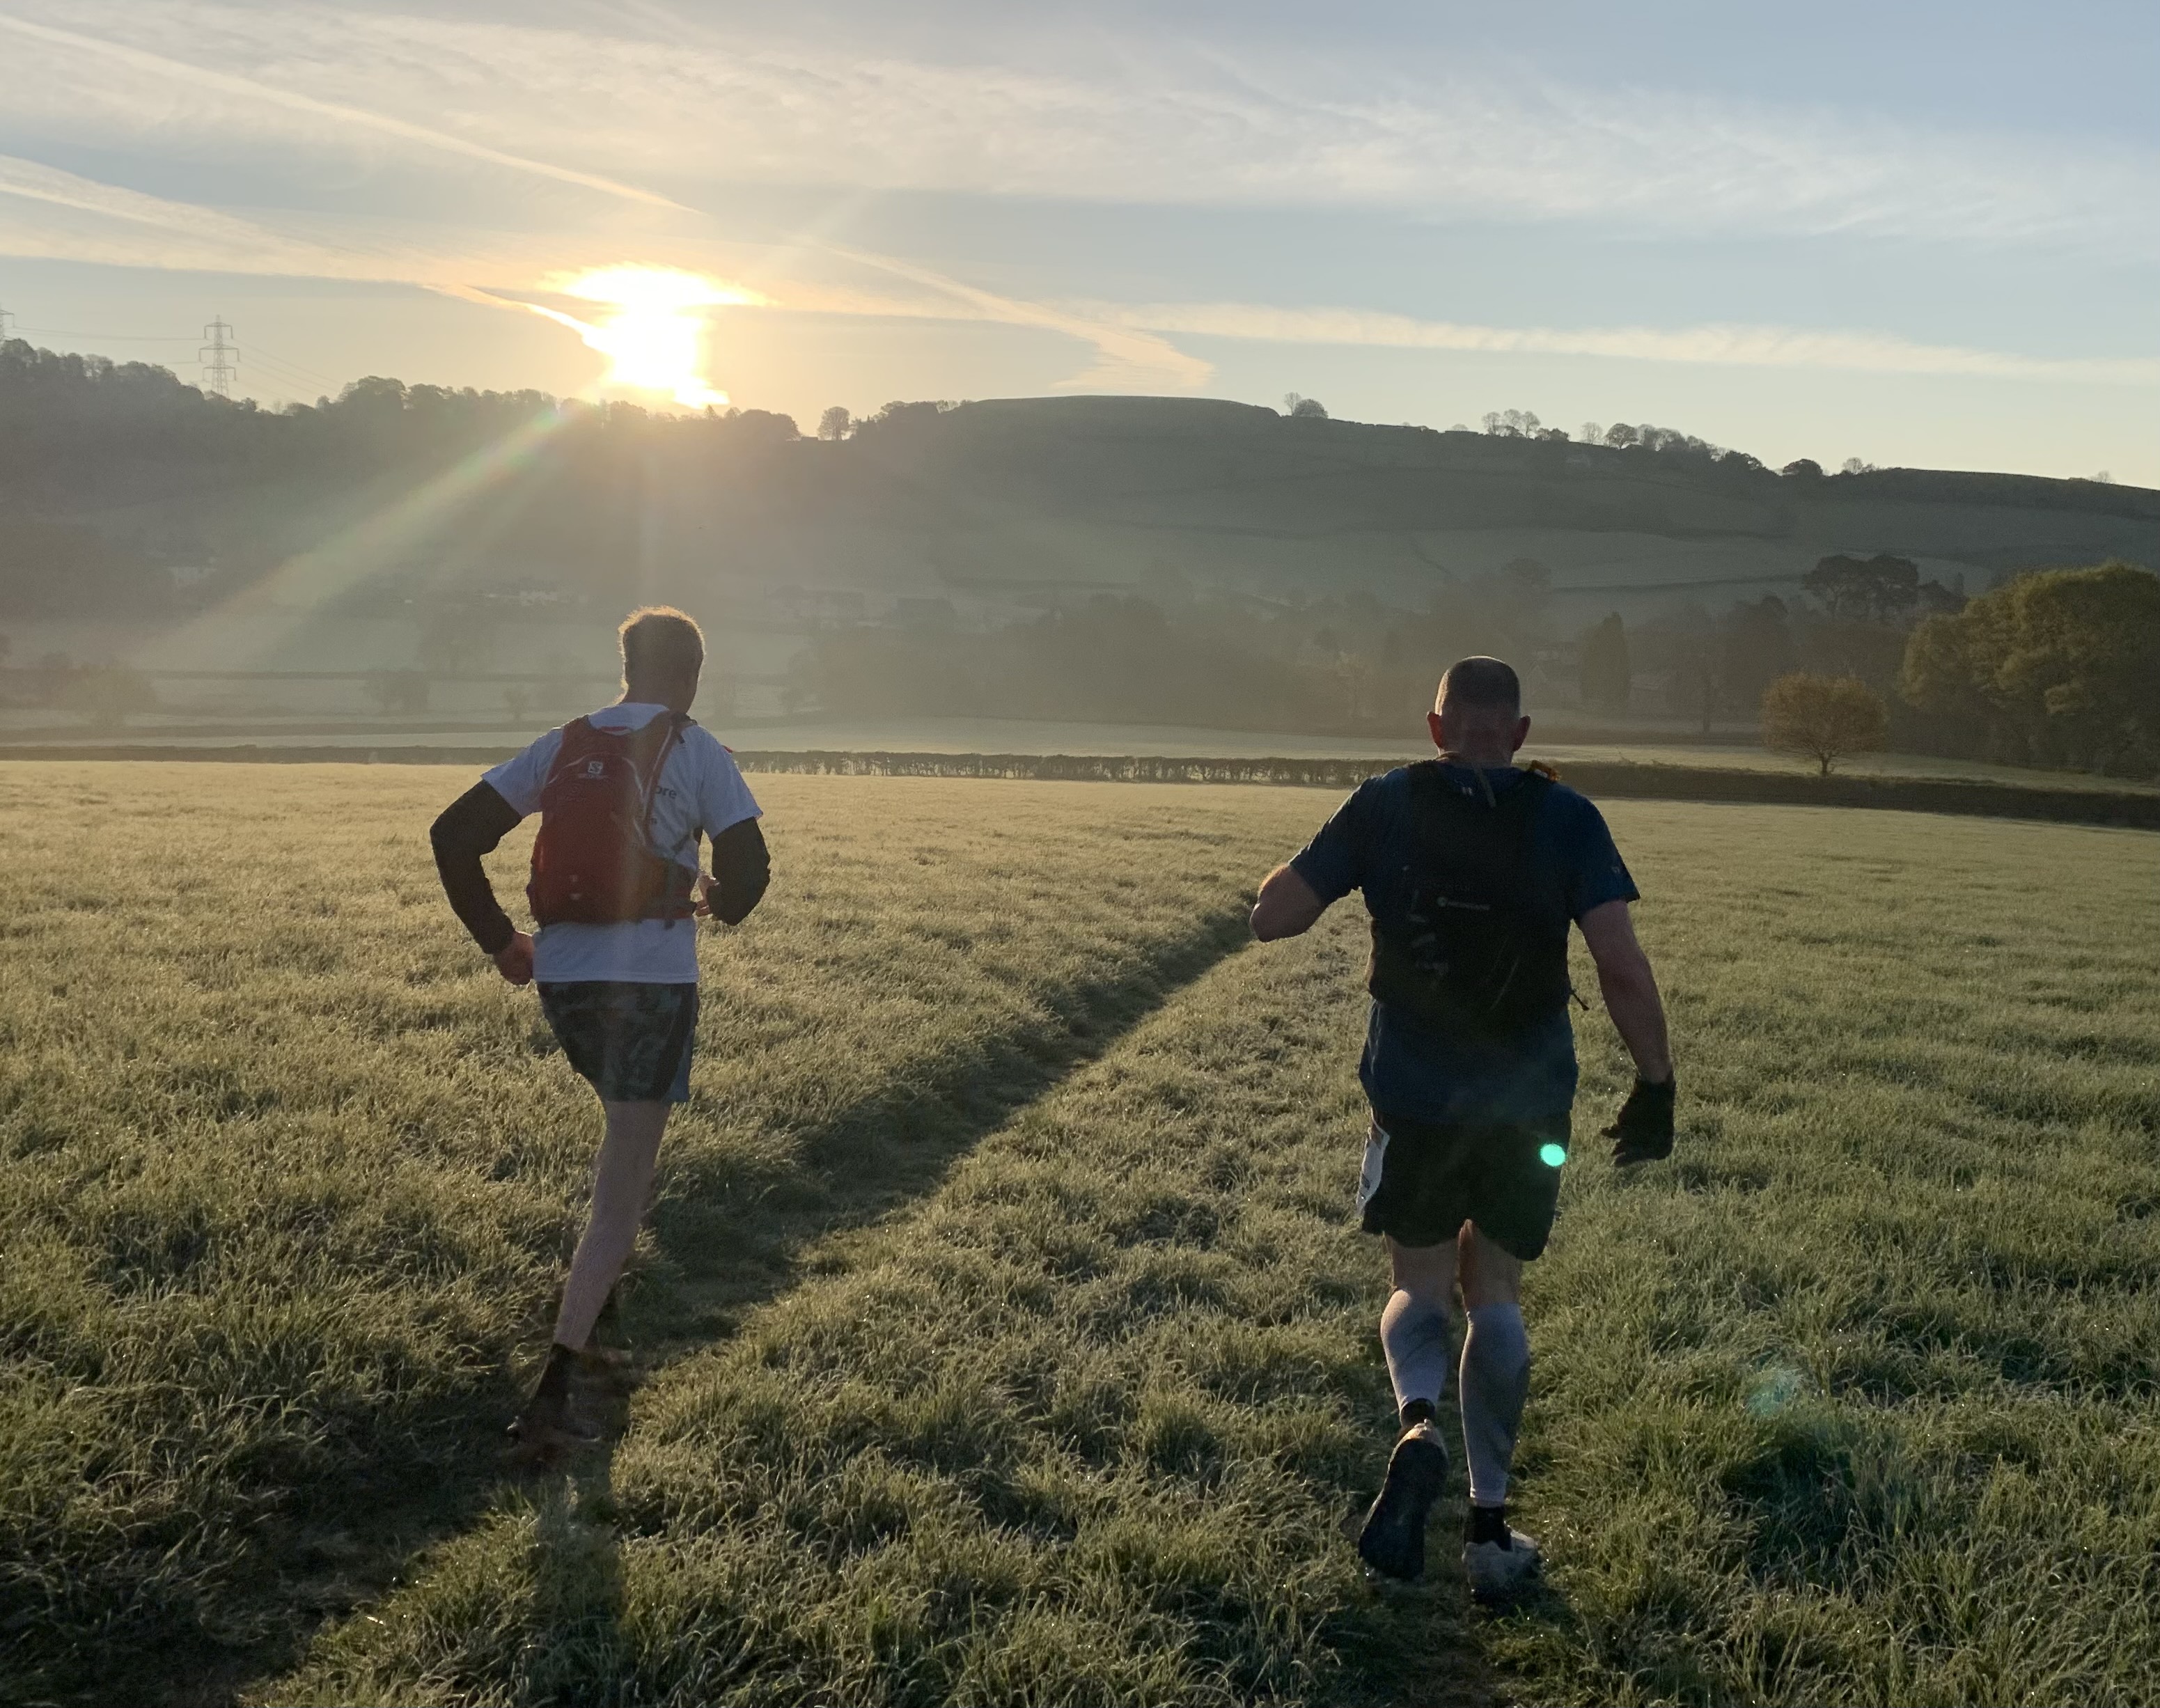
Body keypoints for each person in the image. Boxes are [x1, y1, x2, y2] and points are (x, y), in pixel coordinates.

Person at [1249, 655, 1675, 1598]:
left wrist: (1301, 872)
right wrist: (1655, 1084)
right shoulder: (1567, 817)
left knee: (1419, 1279)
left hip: (1411, 1094)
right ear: (1517, 736)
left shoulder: (1384, 801)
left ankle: (1416, 1425)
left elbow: (1272, 917)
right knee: (1499, 1294)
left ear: (1437, 729)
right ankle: (1488, 1533)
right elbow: (1620, 964)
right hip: (1529, 1104)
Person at [429, 605, 770, 1461]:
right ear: (691, 673)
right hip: (651, 985)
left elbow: (452, 834)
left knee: (620, 1139)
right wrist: (720, 903)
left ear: (626, 666)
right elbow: (752, 868)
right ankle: (552, 1395)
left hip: (566, 984)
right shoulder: (696, 749)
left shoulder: (564, 742)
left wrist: (503, 941)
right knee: (622, 1188)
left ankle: (603, 1323)